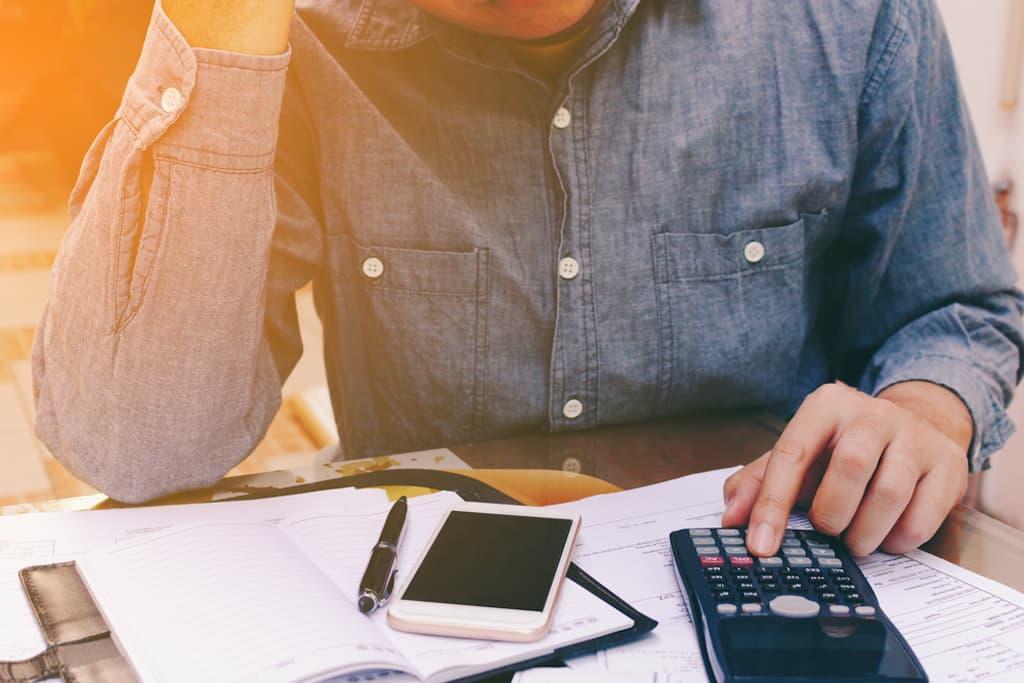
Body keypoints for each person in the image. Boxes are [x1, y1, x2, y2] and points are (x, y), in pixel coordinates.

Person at [33, 0, 1024, 560]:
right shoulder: (309, 36)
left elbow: (953, 306)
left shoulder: (848, 19)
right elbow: (135, 442)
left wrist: (927, 408)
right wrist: (221, 36)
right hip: (418, 615)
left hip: (774, 582)